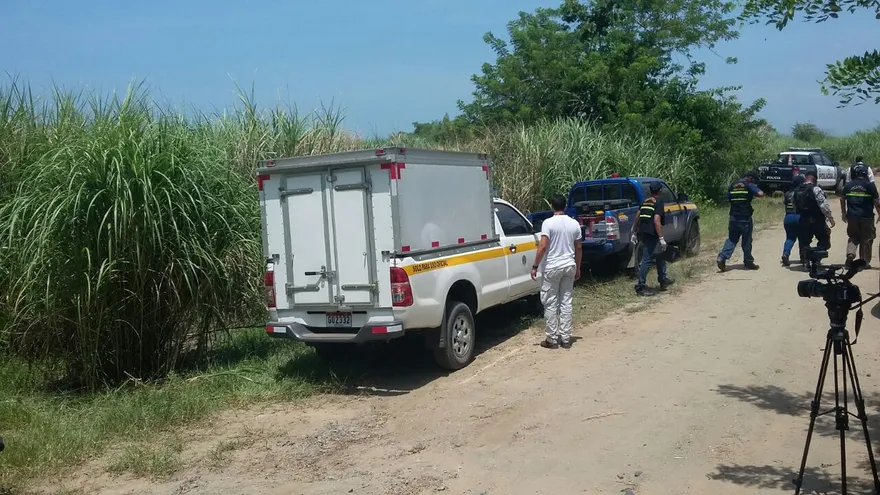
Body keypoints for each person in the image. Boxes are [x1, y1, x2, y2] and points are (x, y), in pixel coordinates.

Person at [530, 194, 582, 349]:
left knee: (551, 302)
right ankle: (566, 338)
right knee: (566, 301)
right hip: (569, 265)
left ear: (552, 206)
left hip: (553, 267)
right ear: (565, 206)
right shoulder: (574, 224)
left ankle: (552, 339)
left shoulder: (548, 223)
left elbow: (543, 246)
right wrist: (578, 267)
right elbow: (578, 247)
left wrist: (535, 265)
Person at [631, 181, 675, 295]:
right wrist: (661, 238)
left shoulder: (645, 201)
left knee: (660, 255)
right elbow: (656, 220)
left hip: (643, 232)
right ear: (660, 190)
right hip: (652, 234)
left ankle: (663, 280)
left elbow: (637, 216)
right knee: (647, 259)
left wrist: (634, 232)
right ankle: (640, 286)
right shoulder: (659, 203)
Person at [717, 171, 765, 272]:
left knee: (732, 239)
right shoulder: (749, 185)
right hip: (745, 218)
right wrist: (752, 191)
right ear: (751, 178)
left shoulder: (732, 185)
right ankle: (748, 262)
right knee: (747, 240)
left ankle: (722, 257)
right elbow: (761, 194)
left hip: (733, 217)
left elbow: (728, 198)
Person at [840, 164, 880, 268]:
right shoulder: (870, 186)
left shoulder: (848, 185)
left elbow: (842, 198)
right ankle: (864, 262)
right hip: (867, 217)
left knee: (853, 237)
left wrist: (844, 213)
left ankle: (850, 255)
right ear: (865, 174)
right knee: (866, 239)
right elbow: (876, 201)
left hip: (852, 216)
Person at [794, 170, 835, 266]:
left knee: (804, 241)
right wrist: (830, 218)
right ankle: (816, 259)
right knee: (824, 239)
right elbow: (823, 205)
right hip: (817, 220)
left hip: (803, 219)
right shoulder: (816, 189)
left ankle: (805, 261)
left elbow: (795, 205)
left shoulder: (797, 190)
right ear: (814, 179)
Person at [781, 175, 806, 266]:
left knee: (790, 238)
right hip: (799, 217)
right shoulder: (802, 193)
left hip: (788, 217)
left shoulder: (787, 193)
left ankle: (785, 254)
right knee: (803, 238)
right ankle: (803, 257)